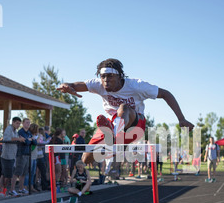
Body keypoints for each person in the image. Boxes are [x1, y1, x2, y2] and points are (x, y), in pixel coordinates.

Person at [57, 58, 194, 164]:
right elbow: (75, 85)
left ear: (119, 76)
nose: (105, 81)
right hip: (112, 123)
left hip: (136, 124)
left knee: (123, 108)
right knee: (86, 158)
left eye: (110, 76)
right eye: (103, 77)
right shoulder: (98, 84)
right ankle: (113, 142)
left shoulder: (137, 86)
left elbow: (166, 94)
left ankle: (115, 138)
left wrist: (181, 118)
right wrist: (67, 86)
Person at [10, 118, 37, 196]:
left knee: (24, 173)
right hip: (21, 154)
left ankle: (21, 189)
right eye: (27, 122)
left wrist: (30, 139)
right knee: (17, 172)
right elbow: (27, 142)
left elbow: (34, 142)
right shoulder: (21, 132)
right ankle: (12, 189)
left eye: (29, 122)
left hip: (27, 154)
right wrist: (30, 140)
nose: (28, 124)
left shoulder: (29, 132)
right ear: (23, 123)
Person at [0, 117, 24, 196]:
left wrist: (19, 139)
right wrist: (18, 139)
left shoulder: (15, 131)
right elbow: (6, 138)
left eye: (19, 124)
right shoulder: (9, 129)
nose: (18, 125)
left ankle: (3, 191)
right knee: (5, 175)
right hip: (6, 156)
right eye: (17, 123)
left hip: (12, 156)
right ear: (13, 122)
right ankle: (0, 191)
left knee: (7, 175)